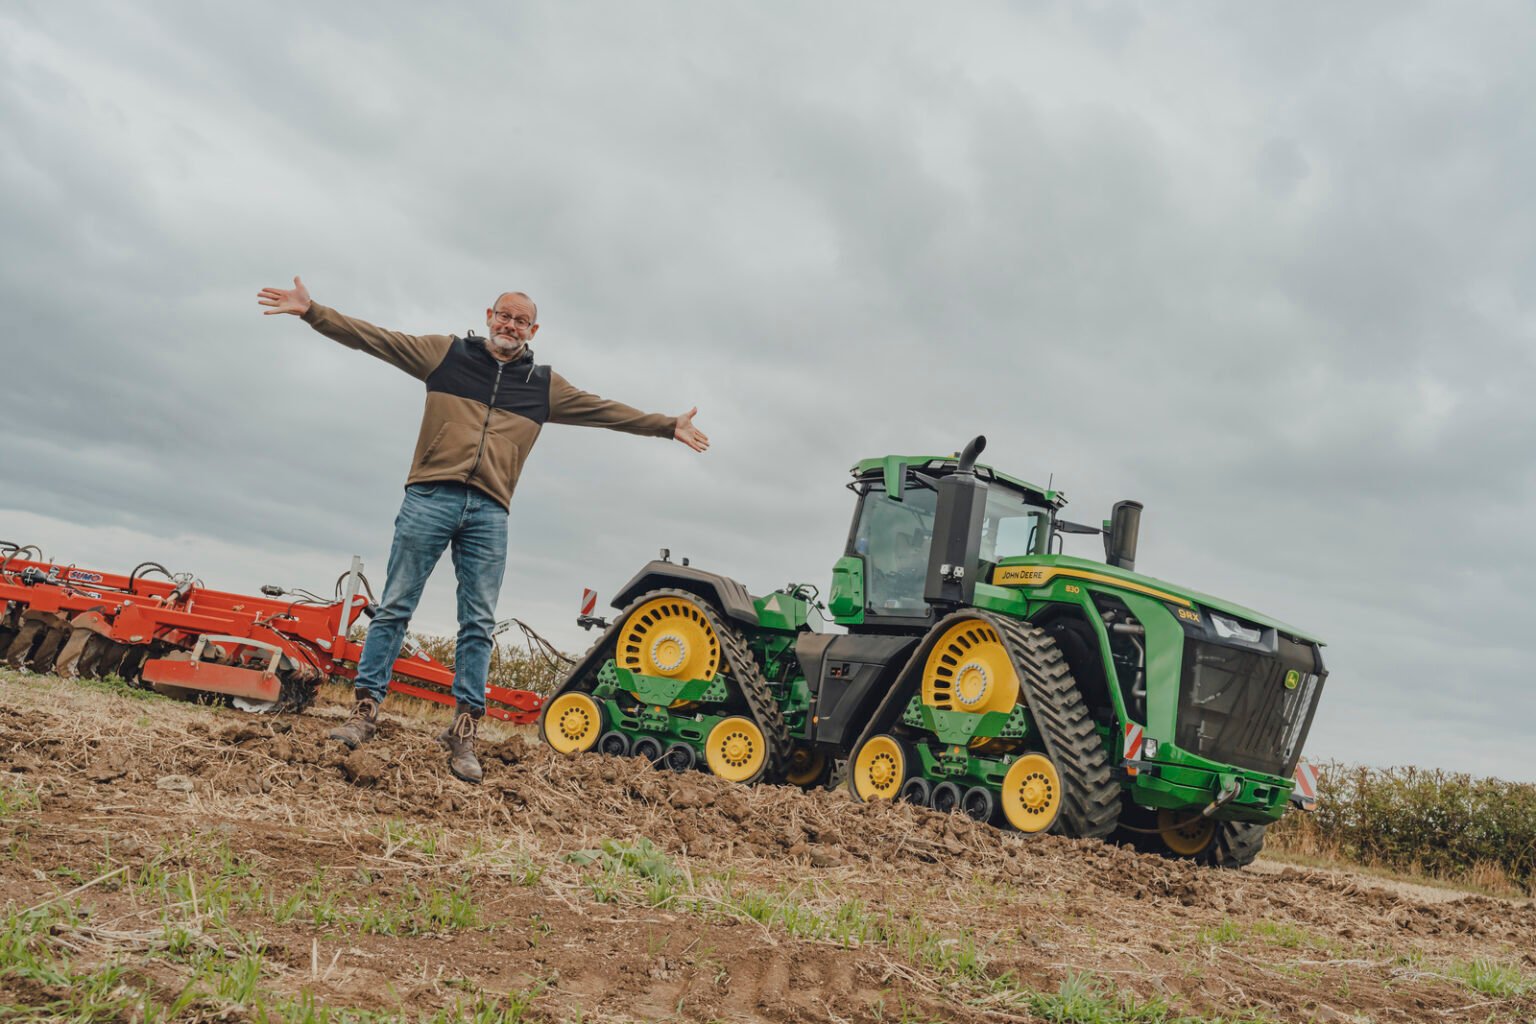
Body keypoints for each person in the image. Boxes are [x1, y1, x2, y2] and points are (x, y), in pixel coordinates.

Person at [257, 277, 708, 782]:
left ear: (532, 329)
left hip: (490, 512)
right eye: (503, 315)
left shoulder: (543, 385)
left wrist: (666, 425)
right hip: (429, 496)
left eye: (521, 320)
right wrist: (313, 311)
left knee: (477, 623)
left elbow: (605, 411)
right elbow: (374, 338)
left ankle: (464, 730)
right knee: (396, 605)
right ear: (489, 315)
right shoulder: (445, 355)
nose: (509, 325)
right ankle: (365, 712)